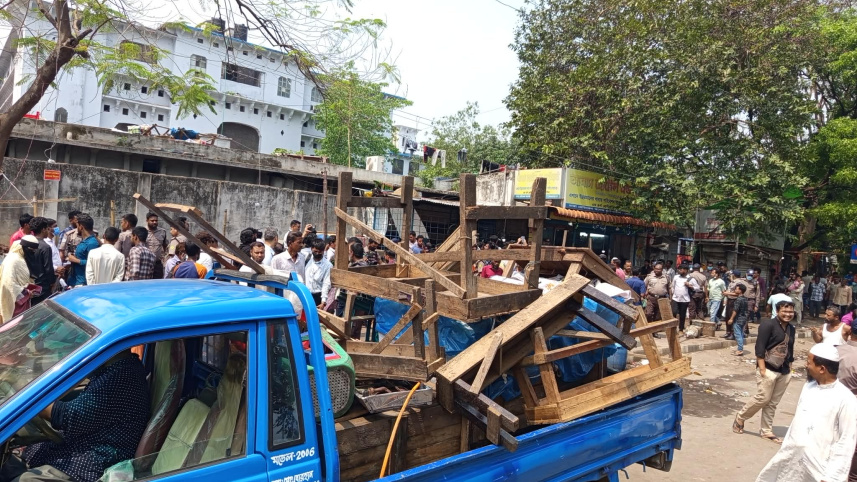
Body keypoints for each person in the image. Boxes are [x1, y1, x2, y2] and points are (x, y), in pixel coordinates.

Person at [19, 349, 150, 482]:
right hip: (86, 443)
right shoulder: (117, 368)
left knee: (25, 479)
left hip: (97, 461)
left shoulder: (122, 375)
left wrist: (24, 394)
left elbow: (66, 417)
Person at [756, 343, 857, 482]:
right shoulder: (809, 387)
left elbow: (846, 442)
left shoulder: (846, 399)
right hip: (792, 464)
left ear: (822, 368)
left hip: (820, 470)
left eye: (809, 362)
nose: (806, 365)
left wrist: (832, 477)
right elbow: (796, 425)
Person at [733, 300, 796, 445]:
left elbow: (790, 349)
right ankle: (740, 417)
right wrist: (762, 369)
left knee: (773, 403)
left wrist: (790, 369)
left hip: (785, 370)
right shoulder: (768, 324)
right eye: (785, 311)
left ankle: (766, 431)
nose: (788, 314)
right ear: (777, 311)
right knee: (763, 398)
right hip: (768, 368)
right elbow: (760, 347)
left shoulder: (791, 328)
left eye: (790, 311)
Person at [0, 237, 38, 323]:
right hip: (15, 303)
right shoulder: (14, 260)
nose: (33, 253)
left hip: (24, 301)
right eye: (32, 250)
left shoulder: (21, 258)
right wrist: (27, 293)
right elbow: (8, 284)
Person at [25, 217, 56, 305]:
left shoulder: (26, 244)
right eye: (47, 229)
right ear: (43, 229)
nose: (48, 231)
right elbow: (48, 269)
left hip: (28, 285)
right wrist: (52, 283)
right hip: (42, 287)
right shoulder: (45, 247)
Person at [66, 213, 99, 287]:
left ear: (81, 227)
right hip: (75, 280)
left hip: (83, 282)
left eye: (77, 226)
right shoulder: (85, 241)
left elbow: (94, 263)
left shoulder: (92, 243)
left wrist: (76, 260)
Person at [304, 238, 332, 307]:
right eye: (315, 251)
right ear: (311, 249)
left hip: (318, 297)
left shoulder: (328, 265)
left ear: (323, 251)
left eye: (320, 252)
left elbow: (326, 283)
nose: (317, 253)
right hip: (306, 295)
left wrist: (323, 301)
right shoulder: (306, 259)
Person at [670, 264, 699, 331]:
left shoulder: (690, 279)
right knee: (673, 312)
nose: (679, 271)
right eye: (679, 269)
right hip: (675, 298)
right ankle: (673, 327)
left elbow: (697, 288)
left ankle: (681, 328)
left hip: (685, 299)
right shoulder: (676, 277)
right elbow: (673, 286)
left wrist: (690, 286)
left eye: (681, 269)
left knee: (682, 315)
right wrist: (672, 295)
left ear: (686, 270)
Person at [727, 284, 749, 356]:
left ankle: (740, 350)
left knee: (738, 334)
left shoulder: (738, 300)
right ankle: (740, 348)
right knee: (741, 333)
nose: (735, 290)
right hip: (744, 318)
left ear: (740, 290)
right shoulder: (745, 299)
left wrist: (731, 319)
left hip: (738, 318)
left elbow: (735, 310)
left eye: (736, 289)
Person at [144, 212, 168, 279]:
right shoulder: (143, 231)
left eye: (156, 220)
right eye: (152, 221)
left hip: (157, 264)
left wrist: (164, 258)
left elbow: (165, 245)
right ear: (147, 220)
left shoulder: (162, 232)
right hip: (146, 263)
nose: (154, 222)